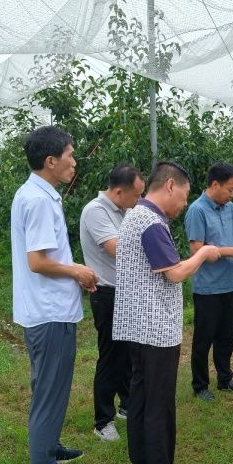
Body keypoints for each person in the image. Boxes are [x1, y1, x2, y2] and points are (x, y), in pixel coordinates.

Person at [113, 161, 221, 464]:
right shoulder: (150, 222)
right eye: (185, 196)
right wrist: (203, 253)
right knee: (159, 404)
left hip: (136, 326)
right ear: (170, 185)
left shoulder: (136, 215)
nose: (184, 204)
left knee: (141, 399)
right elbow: (174, 273)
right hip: (155, 329)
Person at [10, 125, 97, 464]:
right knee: (50, 389)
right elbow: (38, 261)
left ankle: (49, 446)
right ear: (50, 161)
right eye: (70, 156)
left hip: (42, 309)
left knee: (46, 385)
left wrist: (74, 271)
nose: (74, 162)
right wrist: (77, 271)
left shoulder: (33, 193)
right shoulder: (40, 201)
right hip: (50, 312)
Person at [79, 164, 145, 442]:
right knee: (111, 357)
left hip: (126, 292)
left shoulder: (124, 210)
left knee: (128, 354)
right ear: (119, 191)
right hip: (106, 293)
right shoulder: (95, 211)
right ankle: (102, 420)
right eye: (136, 195)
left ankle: (127, 405)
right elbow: (119, 249)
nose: (139, 201)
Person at [184, 163, 233, 402]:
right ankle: (200, 385)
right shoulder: (197, 210)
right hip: (207, 287)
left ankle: (225, 379)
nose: (232, 194)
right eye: (230, 189)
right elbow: (197, 248)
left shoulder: (229, 207)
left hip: (228, 283)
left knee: (226, 336)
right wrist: (231, 252)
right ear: (215, 184)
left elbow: (231, 237)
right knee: (204, 339)